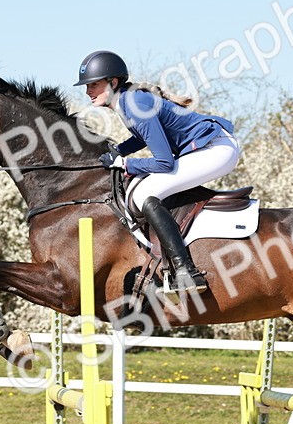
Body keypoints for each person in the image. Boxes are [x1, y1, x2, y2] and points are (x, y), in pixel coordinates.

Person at [74, 50, 241, 296]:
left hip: (216, 149)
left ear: (113, 82)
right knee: (144, 188)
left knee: (144, 194)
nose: (88, 91)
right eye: (87, 86)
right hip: (208, 147)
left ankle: (186, 271)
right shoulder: (126, 102)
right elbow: (143, 137)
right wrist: (118, 150)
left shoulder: (133, 103)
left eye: (94, 85)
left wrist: (124, 164)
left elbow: (164, 163)